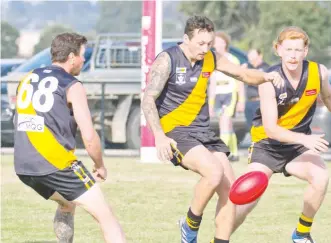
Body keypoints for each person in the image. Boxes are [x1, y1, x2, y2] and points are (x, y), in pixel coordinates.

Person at [141, 16, 284, 243]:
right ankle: (189, 227)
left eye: (209, 43)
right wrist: (158, 136)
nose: (205, 49)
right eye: (200, 44)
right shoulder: (167, 59)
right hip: (174, 131)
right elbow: (148, 99)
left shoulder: (211, 58)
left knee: (232, 194)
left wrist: (266, 76)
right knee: (214, 172)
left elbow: (243, 74)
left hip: (202, 132)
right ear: (186, 39)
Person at [231, 26, 331, 243]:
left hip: (296, 148)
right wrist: (305, 139)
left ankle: (301, 234)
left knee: (320, 177)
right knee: (246, 201)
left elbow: (330, 98)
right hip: (267, 144)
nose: (293, 55)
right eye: (288, 49)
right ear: (278, 50)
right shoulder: (269, 80)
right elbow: (271, 129)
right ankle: (220, 239)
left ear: (306, 51)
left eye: (298, 50)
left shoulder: (318, 72)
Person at [13, 33, 126, 243]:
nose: (84, 60)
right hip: (56, 162)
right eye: (83, 55)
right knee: (106, 217)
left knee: (67, 203)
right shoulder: (72, 84)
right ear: (72, 56)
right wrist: (99, 165)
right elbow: (89, 136)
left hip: (23, 164)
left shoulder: (27, 78)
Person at [209, 32, 244, 162]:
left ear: (225, 43)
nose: (218, 44)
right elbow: (212, 83)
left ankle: (221, 153)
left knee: (224, 123)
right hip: (218, 95)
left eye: (220, 41)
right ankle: (234, 153)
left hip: (230, 94)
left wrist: (241, 100)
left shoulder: (233, 59)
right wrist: (211, 104)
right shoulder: (211, 59)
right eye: (215, 42)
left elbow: (240, 80)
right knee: (226, 125)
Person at [240, 49, 270, 147]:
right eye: (250, 58)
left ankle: (265, 147)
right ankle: (256, 146)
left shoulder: (266, 68)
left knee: (261, 126)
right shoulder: (247, 67)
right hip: (249, 102)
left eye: (254, 58)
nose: (252, 60)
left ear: (260, 56)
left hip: (260, 102)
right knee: (251, 127)